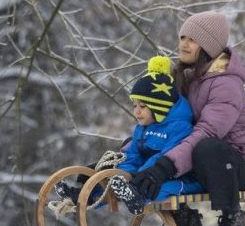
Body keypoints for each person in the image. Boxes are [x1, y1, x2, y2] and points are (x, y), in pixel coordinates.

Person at [130, 11, 245, 226]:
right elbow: (167, 127)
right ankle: (185, 223)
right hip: (202, 161)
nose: (183, 43)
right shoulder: (185, 78)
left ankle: (232, 222)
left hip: (241, 164)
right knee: (157, 140)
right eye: (182, 36)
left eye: (192, 39)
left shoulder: (225, 83)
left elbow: (207, 133)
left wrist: (163, 167)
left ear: (208, 46)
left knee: (206, 148)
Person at [53, 56, 201, 209]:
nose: (136, 112)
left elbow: (165, 157)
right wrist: (122, 174)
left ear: (159, 107)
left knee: (158, 189)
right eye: (134, 105)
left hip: (181, 179)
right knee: (113, 182)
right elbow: (132, 155)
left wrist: (137, 177)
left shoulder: (180, 128)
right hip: (145, 176)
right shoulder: (143, 128)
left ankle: (137, 199)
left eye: (142, 106)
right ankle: (84, 195)